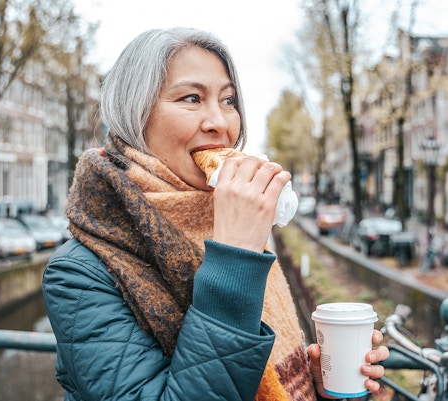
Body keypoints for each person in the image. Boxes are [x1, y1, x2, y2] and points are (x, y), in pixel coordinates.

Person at [42, 27, 388, 401]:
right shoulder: (79, 273)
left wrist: (317, 385)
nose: (220, 123)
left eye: (228, 100)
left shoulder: (231, 220)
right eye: (191, 98)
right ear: (134, 114)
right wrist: (235, 255)